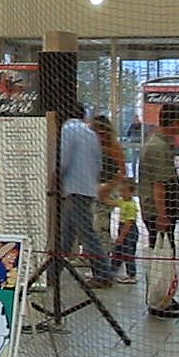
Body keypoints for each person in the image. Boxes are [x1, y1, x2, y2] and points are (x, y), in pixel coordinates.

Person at [138, 102, 179, 316]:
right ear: (174, 122)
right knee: (160, 257)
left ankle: (165, 296)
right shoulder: (157, 147)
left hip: (161, 211)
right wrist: (162, 215)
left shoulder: (162, 144)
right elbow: (159, 185)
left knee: (166, 255)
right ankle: (157, 301)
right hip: (158, 213)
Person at [57, 103, 112, 287]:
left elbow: (64, 159)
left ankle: (103, 274)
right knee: (68, 234)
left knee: (87, 234)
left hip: (75, 187)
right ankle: (53, 272)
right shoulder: (90, 133)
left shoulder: (68, 128)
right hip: (88, 187)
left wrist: (55, 176)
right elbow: (99, 164)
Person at [90, 115, 126, 251]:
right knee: (92, 222)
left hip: (110, 187)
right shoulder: (90, 146)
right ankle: (94, 251)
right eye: (98, 134)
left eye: (104, 134)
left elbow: (122, 172)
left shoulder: (114, 147)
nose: (101, 138)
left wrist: (108, 188)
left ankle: (103, 251)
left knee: (101, 221)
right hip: (92, 187)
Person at [109, 178, 140, 284]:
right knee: (118, 251)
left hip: (129, 231)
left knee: (128, 253)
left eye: (124, 191)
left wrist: (122, 236)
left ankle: (132, 274)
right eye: (121, 191)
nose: (122, 193)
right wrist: (102, 196)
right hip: (122, 229)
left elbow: (129, 223)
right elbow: (112, 202)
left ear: (131, 192)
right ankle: (112, 270)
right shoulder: (123, 201)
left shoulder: (131, 205)